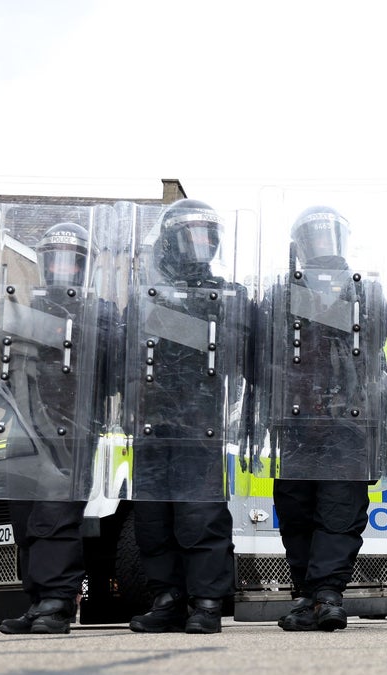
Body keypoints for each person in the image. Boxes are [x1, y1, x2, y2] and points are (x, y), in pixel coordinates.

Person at [0, 216, 120, 634]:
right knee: (24, 521)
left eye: (73, 261)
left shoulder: (99, 314)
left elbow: (114, 377)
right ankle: (38, 599)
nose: (63, 268)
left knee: (54, 517)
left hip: (71, 432)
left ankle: (57, 601)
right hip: (20, 434)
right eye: (57, 260)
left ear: (84, 267)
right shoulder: (23, 313)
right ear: (45, 263)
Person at [260, 206, 387, 632]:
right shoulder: (279, 293)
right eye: (312, 237)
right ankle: (306, 595)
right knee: (296, 510)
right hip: (294, 422)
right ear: (299, 244)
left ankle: (328, 594)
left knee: (339, 511)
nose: (322, 244)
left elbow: (373, 346)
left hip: (347, 424)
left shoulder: (364, 293)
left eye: (327, 235)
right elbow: (261, 356)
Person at [126, 199, 252, 635]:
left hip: (201, 427)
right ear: (170, 242)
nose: (199, 244)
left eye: (205, 235)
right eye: (189, 234)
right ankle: (167, 599)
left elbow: (240, 354)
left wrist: (173, 319)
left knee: (200, 520)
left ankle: (205, 603)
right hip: (151, 426)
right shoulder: (142, 296)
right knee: (153, 521)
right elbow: (122, 361)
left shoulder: (230, 296)